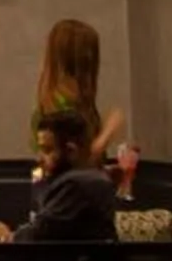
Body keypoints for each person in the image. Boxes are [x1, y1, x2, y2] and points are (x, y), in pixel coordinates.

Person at [32, 18, 139, 198]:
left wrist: (112, 173)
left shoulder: (65, 102)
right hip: (68, 204)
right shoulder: (60, 106)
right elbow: (71, 165)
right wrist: (108, 132)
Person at [0, 110, 116, 244]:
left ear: (71, 151)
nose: (40, 159)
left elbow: (39, 234)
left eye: (47, 150)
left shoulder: (76, 184)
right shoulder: (87, 178)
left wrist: (5, 237)